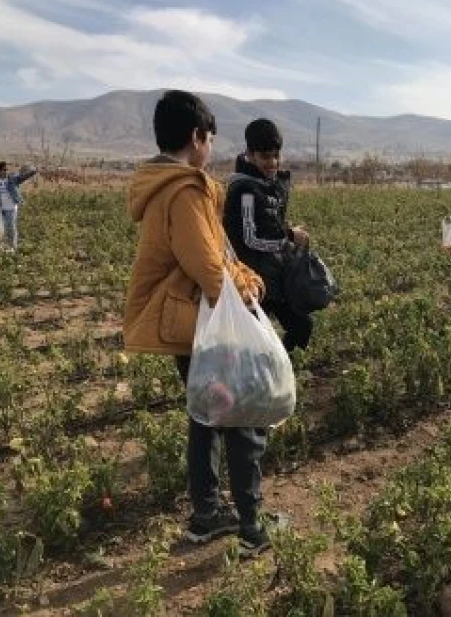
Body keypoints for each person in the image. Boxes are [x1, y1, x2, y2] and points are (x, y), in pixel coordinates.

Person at [122, 90, 277, 558]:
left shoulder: (165, 186)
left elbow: (217, 255)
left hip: (190, 321)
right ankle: (253, 529)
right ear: (196, 137)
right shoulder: (184, 190)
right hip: (204, 323)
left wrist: (244, 276)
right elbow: (210, 268)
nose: (211, 148)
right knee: (243, 415)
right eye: (209, 138)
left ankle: (207, 516)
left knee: (205, 416)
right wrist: (246, 302)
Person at [223, 118, 314, 352]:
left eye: (276, 156)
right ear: (250, 155)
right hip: (250, 279)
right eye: (265, 157)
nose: (272, 163)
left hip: (274, 276)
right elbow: (250, 238)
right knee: (256, 346)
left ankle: (283, 373)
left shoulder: (269, 185)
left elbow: (270, 224)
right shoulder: (245, 190)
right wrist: (289, 238)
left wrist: (286, 232)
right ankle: (267, 378)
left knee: (302, 325)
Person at [0, 161, 37, 252]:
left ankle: (12, 247)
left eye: (6, 170)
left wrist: (32, 170)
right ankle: (1, 246)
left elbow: (24, 177)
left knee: (11, 227)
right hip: (0, 209)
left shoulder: (12, 178)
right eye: (3, 170)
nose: (5, 171)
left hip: (11, 207)